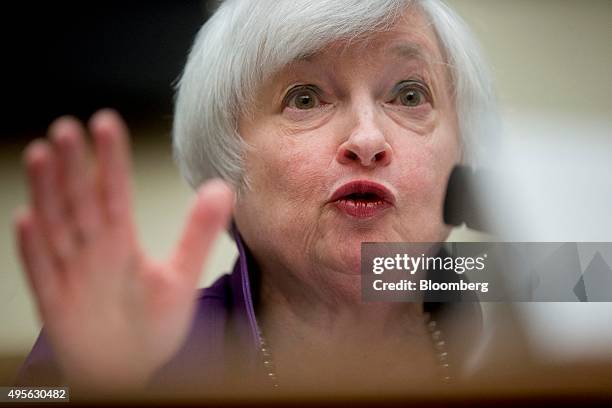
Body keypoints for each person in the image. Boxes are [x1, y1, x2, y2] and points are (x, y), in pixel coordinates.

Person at [15, 0, 497, 397]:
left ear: (462, 152)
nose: (368, 139)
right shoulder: (131, 343)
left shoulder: (547, 287)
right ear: (228, 164)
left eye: (410, 95)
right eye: (305, 98)